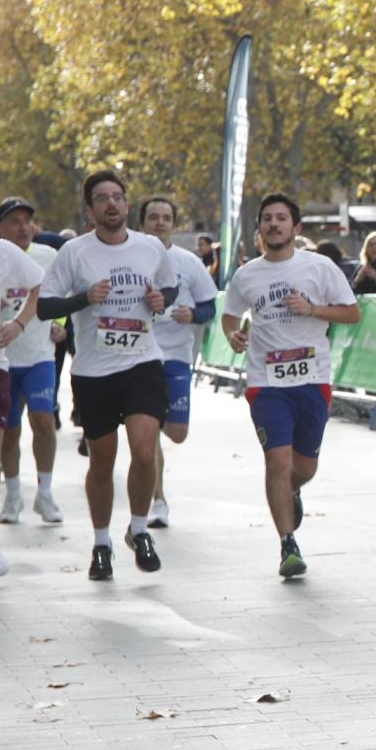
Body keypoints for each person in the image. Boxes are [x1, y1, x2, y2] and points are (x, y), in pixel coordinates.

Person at [37, 170, 176, 580]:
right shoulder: (74, 253)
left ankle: (137, 529)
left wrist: (158, 299)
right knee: (102, 462)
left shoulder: (150, 247)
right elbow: (45, 307)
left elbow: (169, 290)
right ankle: (101, 543)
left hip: (143, 364)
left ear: (127, 204)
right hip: (94, 372)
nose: (111, 204)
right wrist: (84, 298)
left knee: (145, 450)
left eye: (117, 196)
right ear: (90, 208)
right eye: (102, 198)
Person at [221, 194, 361, 578]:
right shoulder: (247, 275)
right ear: (260, 229)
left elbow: (351, 312)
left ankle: (293, 490)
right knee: (277, 461)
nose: (274, 224)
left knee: (304, 467)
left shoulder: (320, 267)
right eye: (267, 218)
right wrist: (233, 335)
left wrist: (312, 310)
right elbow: (230, 316)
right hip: (266, 382)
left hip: (312, 378)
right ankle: (288, 545)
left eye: (282, 218)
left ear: (296, 229)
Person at [136, 197, 219, 530]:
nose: (160, 223)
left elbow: (210, 306)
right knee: (148, 429)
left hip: (177, 356)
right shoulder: (130, 257)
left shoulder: (188, 262)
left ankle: (157, 494)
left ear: (174, 223)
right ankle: (158, 500)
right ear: (142, 223)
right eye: (153, 217)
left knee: (177, 433)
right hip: (141, 357)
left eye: (166, 218)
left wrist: (193, 314)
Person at [0, 199, 63, 528]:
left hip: (39, 356)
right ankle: (12, 495)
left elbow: (54, 293)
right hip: (6, 362)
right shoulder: (1, 256)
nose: (23, 227)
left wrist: (59, 320)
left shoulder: (46, 256)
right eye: (14, 221)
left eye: (27, 221)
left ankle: (45, 491)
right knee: (9, 433)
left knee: (43, 421)